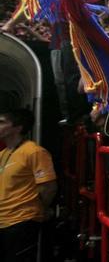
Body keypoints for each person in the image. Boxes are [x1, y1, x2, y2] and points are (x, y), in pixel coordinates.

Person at [0, 104, 57, 262]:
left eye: (2, 122)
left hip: (22, 220)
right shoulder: (3, 154)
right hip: (3, 220)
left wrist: (41, 208)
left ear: (17, 128)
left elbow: (48, 187)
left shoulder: (33, 151)